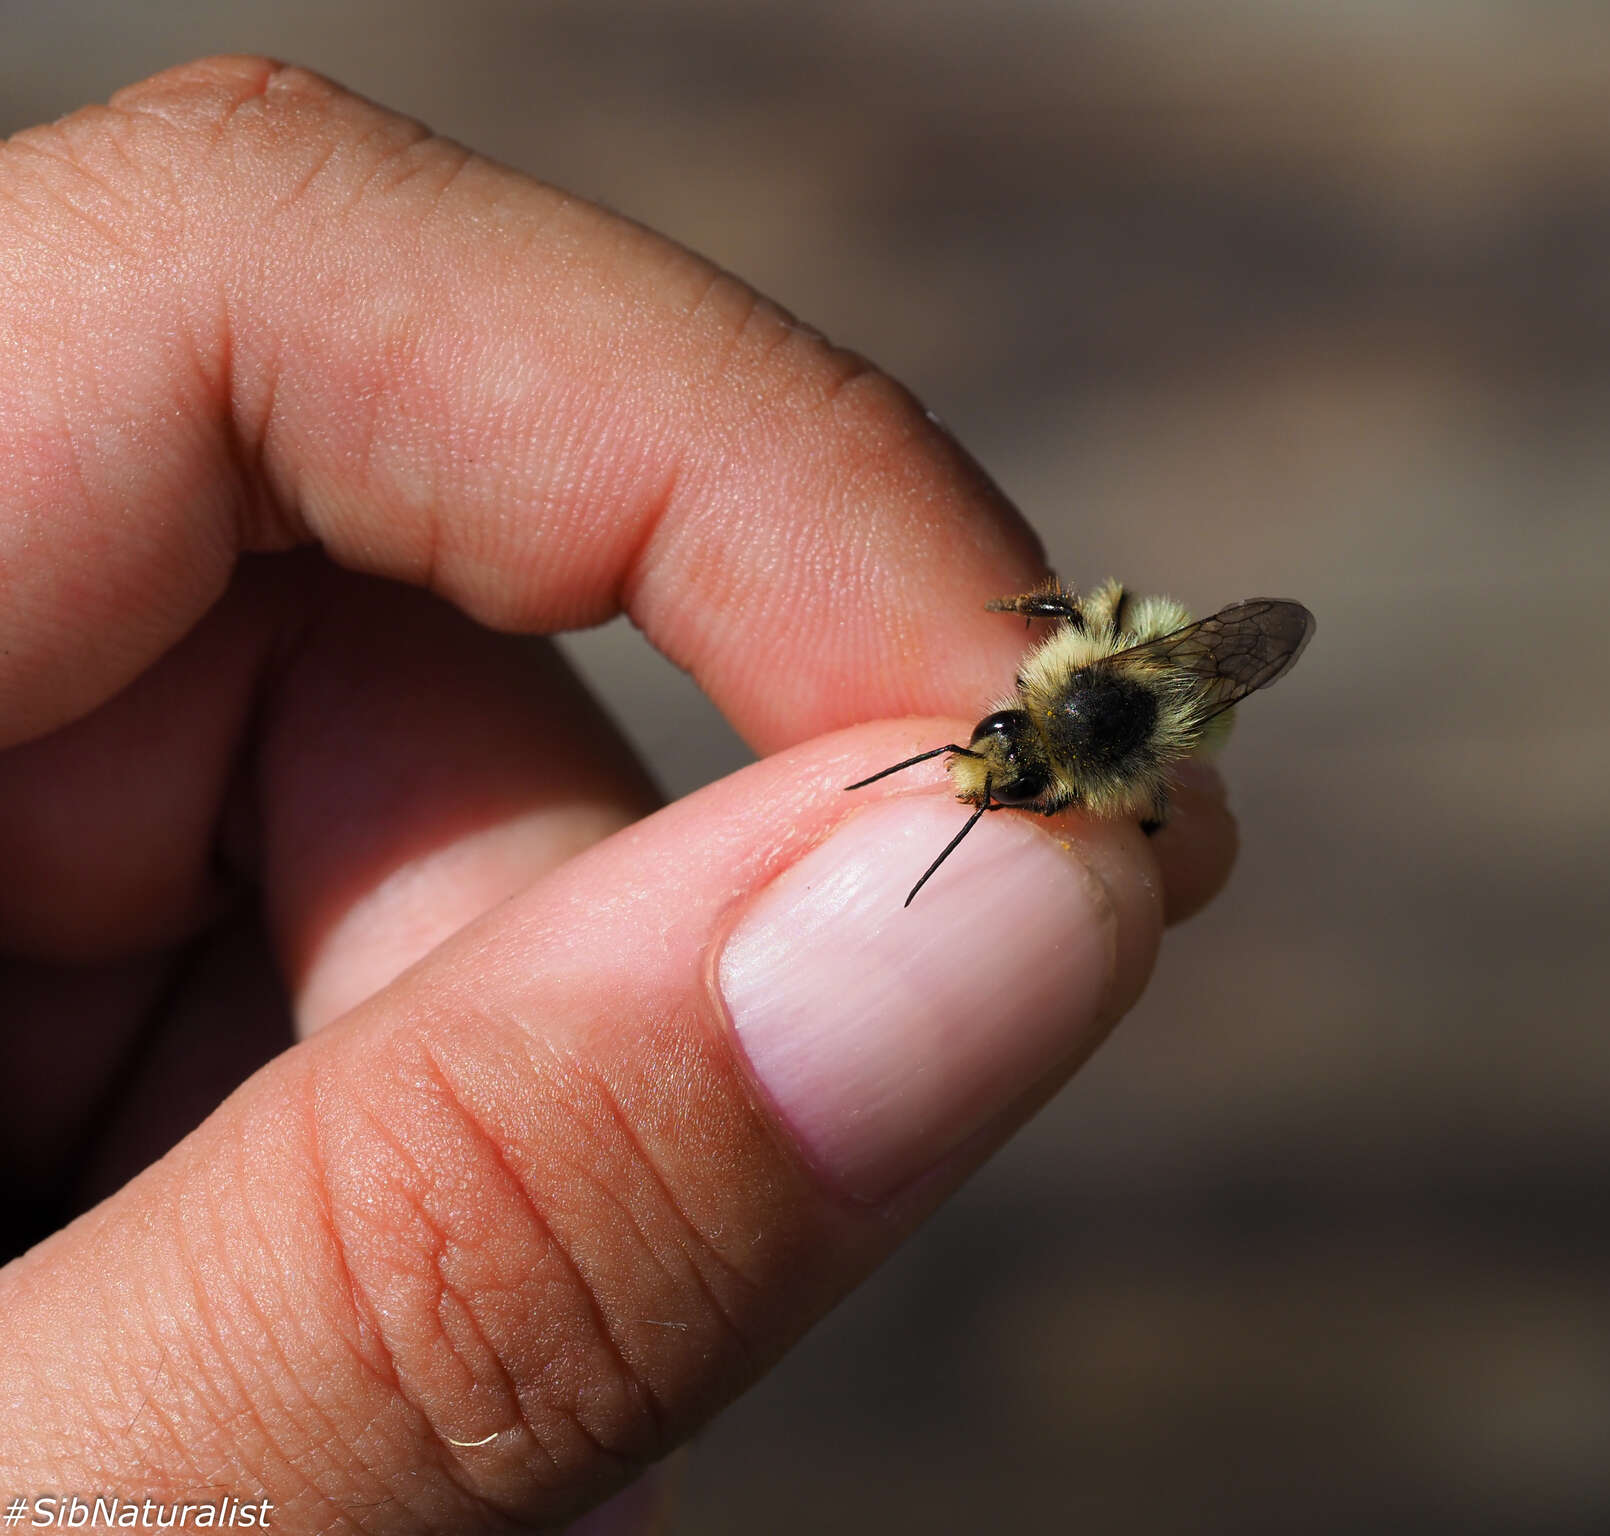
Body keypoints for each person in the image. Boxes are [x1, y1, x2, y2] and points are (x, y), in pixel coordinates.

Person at [0, 57, 1234, 1532]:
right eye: (1005, 749)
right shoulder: (1044, 709)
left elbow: (1108, 733)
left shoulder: (1096, 755)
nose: (993, 762)